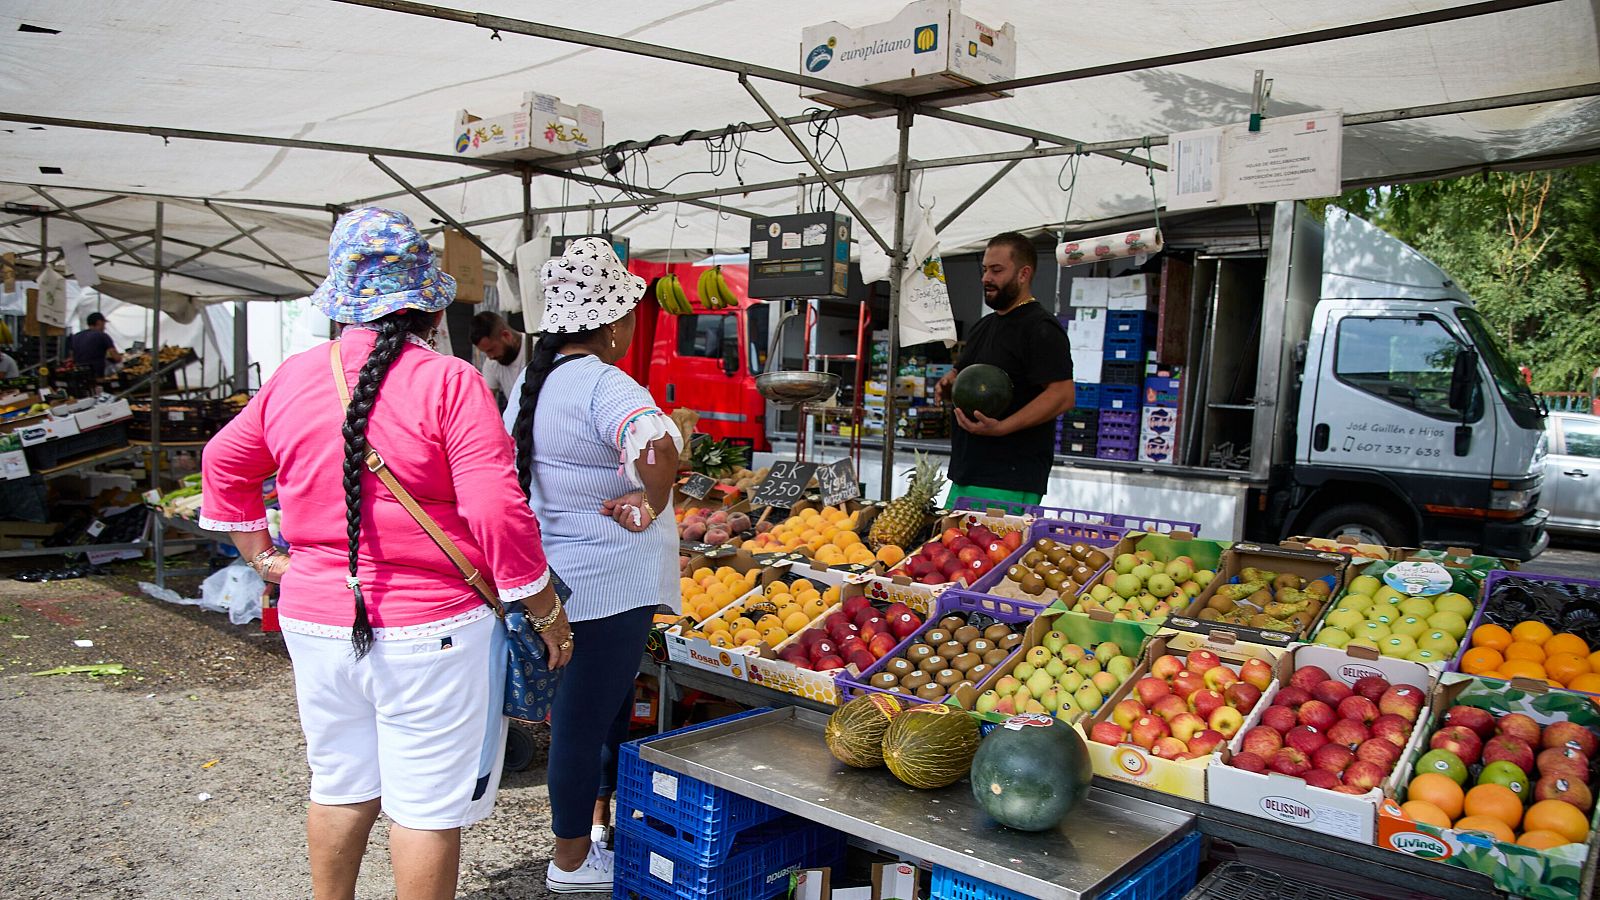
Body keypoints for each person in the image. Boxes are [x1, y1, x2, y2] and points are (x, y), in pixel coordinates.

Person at [200, 208, 573, 900]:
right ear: (427, 306)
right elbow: (496, 509)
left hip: (314, 618)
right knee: (425, 808)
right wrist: (545, 608)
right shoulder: (449, 381)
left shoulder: (293, 376)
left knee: (340, 787)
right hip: (429, 629)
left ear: (344, 305)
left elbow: (222, 460)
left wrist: (262, 557)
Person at [503, 237, 682, 895]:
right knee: (582, 721)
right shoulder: (605, 381)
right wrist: (649, 500)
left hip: (565, 577)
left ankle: (594, 836)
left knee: (597, 714)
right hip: (608, 585)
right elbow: (657, 444)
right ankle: (571, 862)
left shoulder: (537, 379)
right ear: (613, 323)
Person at [935, 232, 1075, 511]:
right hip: (967, 471)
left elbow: (1062, 395)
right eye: (985, 269)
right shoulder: (984, 326)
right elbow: (962, 373)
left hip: (1008, 478)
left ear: (1024, 274)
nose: (986, 277)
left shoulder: (1041, 328)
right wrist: (949, 383)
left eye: (997, 270)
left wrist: (1001, 428)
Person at [470, 310, 529, 406]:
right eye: (485, 352)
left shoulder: (537, 350)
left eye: (491, 349)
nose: (490, 357)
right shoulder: (491, 364)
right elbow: (485, 402)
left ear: (506, 336)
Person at [66, 312, 122, 377]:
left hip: (79, 376)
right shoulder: (102, 336)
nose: (104, 327)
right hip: (97, 375)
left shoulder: (76, 336)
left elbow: (72, 357)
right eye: (104, 324)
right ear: (99, 322)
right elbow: (116, 357)